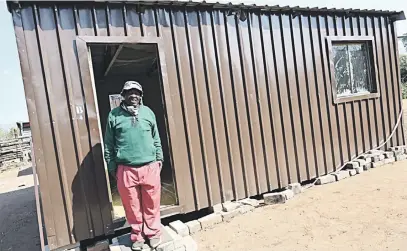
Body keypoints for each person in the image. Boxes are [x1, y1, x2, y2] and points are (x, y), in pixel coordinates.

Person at [104, 81, 163, 250]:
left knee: (152, 203)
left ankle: (153, 233)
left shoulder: (148, 113)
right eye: (129, 92)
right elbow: (108, 144)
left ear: (141, 95)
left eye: (137, 92)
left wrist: (159, 159)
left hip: (150, 166)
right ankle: (138, 235)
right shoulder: (114, 115)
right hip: (126, 169)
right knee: (132, 206)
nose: (133, 95)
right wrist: (112, 166)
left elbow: (156, 138)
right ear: (123, 95)